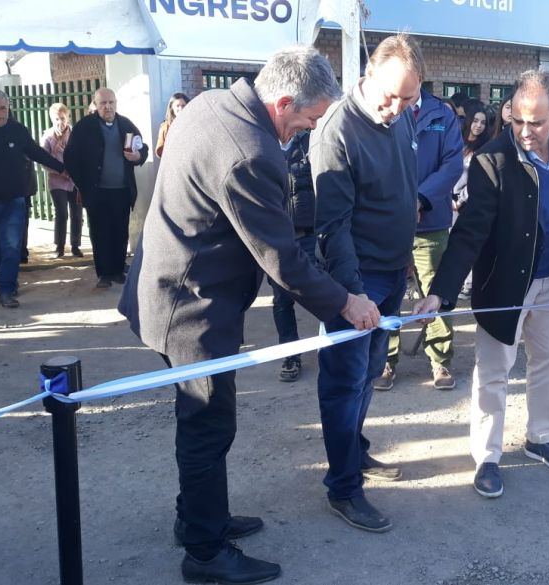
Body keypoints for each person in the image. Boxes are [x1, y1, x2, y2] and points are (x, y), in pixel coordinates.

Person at [118, 46, 380, 584]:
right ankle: (205, 552)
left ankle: (198, 516)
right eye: (306, 119)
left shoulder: (213, 102)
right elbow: (282, 257)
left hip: (168, 288)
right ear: (283, 102)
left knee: (204, 426)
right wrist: (347, 303)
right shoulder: (250, 151)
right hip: (190, 308)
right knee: (208, 427)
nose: (305, 132)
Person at [415, 70, 549, 498]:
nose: (524, 131)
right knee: (494, 372)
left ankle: (541, 438)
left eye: (535, 122)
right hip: (504, 284)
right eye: (517, 120)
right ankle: (488, 457)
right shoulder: (492, 159)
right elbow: (470, 233)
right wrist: (441, 291)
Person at [309, 33, 422, 532]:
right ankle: (344, 488)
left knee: (371, 371)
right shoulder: (336, 130)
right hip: (357, 281)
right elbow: (333, 226)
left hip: (392, 271)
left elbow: (402, 197)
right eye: (391, 95)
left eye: (409, 99)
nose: (397, 107)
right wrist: (352, 295)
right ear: (368, 73)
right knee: (344, 380)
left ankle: (352, 451)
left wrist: (410, 268)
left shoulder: (397, 120)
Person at [374, 84, 464, 391]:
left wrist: (420, 199)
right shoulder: (383, 111)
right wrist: (397, 203)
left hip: (431, 223)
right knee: (387, 294)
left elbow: (452, 164)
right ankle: (385, 361)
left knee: (435, 292)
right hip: (387, 222)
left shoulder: (442, 115)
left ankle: (440, 359)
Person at [64, 87, 149, 289]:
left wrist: (138, 156)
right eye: (103, 103)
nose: (108, 106)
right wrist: (82, 183)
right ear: (96, 104)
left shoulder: (126, 124)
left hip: (122, 190)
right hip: (96, 192)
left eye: (111, 102)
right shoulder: (85, 126)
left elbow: (142, 147)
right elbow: (70, 157)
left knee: (120, 232)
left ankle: (118, 270)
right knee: (100, 233)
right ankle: (103, 273)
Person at [0, 89, 64, 308]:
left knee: (11, 247)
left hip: (14, 201)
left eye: (2, 108)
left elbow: (37, 153)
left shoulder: (18, 131)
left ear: (9, 108)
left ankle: (7, 290)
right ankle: (4, 277)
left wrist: (62, 168)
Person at [267, 130, 317, 382]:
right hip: (276, 239)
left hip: (309, 234)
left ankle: (334, 343)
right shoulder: (261, 141)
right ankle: (291, 354)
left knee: (322, 291)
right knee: (281, 300)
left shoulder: (309, 142)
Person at [452, 101, 490, 300]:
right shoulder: (456, 141)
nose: (478, 125)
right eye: (475, 120)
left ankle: (468, 285)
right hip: (448, 203)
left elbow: (479, 179)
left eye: (483, 122)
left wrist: (461, 199)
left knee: (467, 244)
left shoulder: (484, 148)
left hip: (468, 203)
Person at [41, 103, 83, 258]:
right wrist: (59, 170)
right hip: (57, 181)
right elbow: (43, 160)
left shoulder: (75, 135)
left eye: (63, 118)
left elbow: (81, 155)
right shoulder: (48, 137)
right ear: (52, 119)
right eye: (57, 119)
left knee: (77, 214)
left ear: (68, 118)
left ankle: (75, 245)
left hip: (74, 181)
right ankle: (59, 246)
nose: (60, 122)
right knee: (62, 213)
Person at [155, 92, 189, 158]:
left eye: (183, 105)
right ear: (172, 108)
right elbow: (159, 151)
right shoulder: (166, 126)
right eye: (178, 106)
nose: (181, 109)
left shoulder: (192, 124)